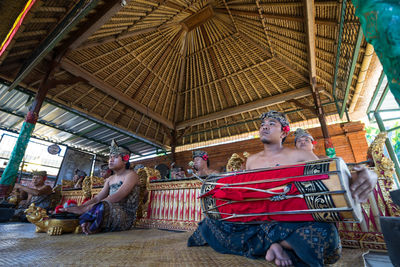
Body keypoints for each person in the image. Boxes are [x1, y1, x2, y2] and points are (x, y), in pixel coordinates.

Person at [188, 110, 378, 266]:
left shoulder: (300, 156)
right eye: (263, 124)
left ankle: (275, 245)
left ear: (284, 132)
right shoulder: (251, 161)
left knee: (327, 237)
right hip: (259, 221)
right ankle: (281, 246)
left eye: (271, 124)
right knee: (210, 224)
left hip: (294, 221)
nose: (265, 126)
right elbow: (246, 197)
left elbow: (334, 174)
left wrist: (368, 174)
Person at [61, 140, 140, 235]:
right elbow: (98, 197)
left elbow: (119, 195)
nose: (110, 160)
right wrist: (81, 207)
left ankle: (87, 222)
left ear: (125, 159)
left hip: (124, 215)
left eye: (115, 157)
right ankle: (86, 222)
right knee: (78, 208)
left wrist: (88, 208)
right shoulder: (110, 178)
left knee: (100, 206)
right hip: (108, 207)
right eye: (110, 157)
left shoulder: (131, 175)